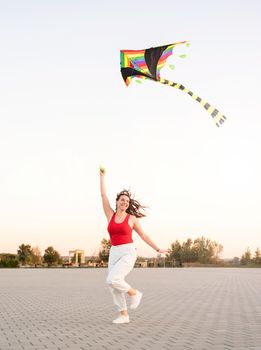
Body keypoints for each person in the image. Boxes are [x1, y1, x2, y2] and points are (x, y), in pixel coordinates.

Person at [99, 167, 167, 324]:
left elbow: (144, 235)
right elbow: (103, 195)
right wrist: (102, 177)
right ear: (117, 202)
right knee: (113, 285)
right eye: (122, 199)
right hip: (114, 251)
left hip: (128, 252)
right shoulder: (110, 214)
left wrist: (157, 249)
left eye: (127, 201)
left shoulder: (132, 218)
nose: (125, 202)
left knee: (112, 279)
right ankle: (124, 315)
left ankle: (134, 293)